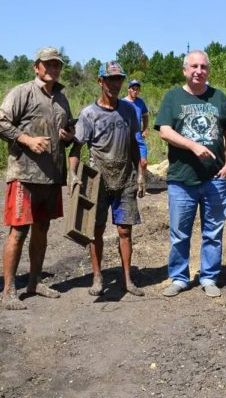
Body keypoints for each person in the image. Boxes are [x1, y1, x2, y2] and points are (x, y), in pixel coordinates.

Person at [0, 47, 74, 310]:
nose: (52, 68)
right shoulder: (22, 92)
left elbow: (69, 128)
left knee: (42, 230)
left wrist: (67, 135)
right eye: (47, 64)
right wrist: (27, 139)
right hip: (24, 175)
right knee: (18, 232)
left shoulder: (61, 98)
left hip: (51, 176)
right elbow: (0, 123)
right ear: (36, 67)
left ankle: (34, 282)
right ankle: (8, 291)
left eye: (57, 65)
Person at [154, 49, 226, 298]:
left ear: (207, 71)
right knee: (180, 232)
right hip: (182, 179)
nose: (199, 71)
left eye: (203, 67)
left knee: (213, 232)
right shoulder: (173, 98)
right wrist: (193, 145)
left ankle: (209, 276)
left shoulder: (218, 97)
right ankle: (179, 277)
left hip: (215, 179)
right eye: (194, 66)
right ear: (185, 70)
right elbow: (164, 131)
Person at [69, 62, 144, 297]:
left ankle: (127, 279)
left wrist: (140, 173)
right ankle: (97, 277)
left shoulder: (129, 111)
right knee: (96, 230)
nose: (114, 84)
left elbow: (134, 143)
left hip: (124, 177)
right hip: (97, 180)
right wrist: (72, 175)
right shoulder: (89, 114)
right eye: (110, 80)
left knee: (125, 231)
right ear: (100, 82)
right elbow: (76, 148)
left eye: (118, 79)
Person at [122, 79, 149, 197]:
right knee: (125, 162)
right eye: (133, 88)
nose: (135, 90)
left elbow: (145, 115)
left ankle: (141, 184)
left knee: (143, 161)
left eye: (137, 88)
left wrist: (145, 128)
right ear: (128, 89)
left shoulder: (140, 102)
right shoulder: (122, 102)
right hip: (125, 137)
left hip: (138, 136)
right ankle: (126, 186)